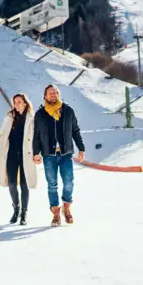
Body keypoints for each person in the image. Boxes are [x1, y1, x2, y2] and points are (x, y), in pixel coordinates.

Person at [32, 84, 85, 226]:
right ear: (45, 96)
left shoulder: (68, 111)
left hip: (66, 153)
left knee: (69, 182)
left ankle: (66, 208)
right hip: (49, 155)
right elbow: (36, 135)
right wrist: (36, 152)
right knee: (52, 185)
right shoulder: (40, 114)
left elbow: (75, 130)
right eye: (50, 93)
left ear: (58, 94)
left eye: (55, 93)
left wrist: (81, 148)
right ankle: (56, 213)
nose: (52, 95)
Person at [0, 93, 37, 225]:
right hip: (11, 155)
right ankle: (16, 208)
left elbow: (36, 138)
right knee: (12, 184)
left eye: (19, 101)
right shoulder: (9, 118)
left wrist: (37, 154)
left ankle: (24, 213)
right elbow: (2, 135)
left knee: (25, 185)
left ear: (25, 102)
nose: (17, 104)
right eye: (15, 102)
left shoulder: (31, 118)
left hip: (26, 155)